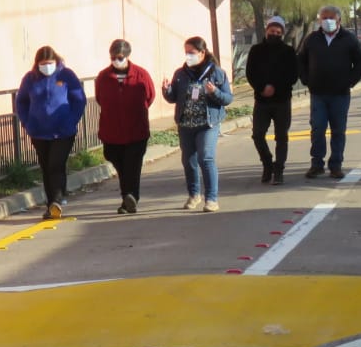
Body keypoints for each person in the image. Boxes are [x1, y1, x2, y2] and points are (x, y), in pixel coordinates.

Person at [162, 36, 233, 212]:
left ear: (202, 53)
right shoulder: (181, 73)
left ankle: (211, 198)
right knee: (189, 160)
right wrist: (167, 90)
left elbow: (228, 98)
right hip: (186, 124)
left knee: (206, 157)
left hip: (208, 123)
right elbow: (173, 98)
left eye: (192, 53)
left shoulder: (216, 72)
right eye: (186, 53)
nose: (188, 56)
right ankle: (194, 195)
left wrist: (214, 92)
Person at [16, 45, 87, 219]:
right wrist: (27, 122)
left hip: (63, 132)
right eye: (43, 63)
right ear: (37, 63)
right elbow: (21, 102)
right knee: (46, 167)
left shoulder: (66, 76)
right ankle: (51, 205)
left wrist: (70, 121)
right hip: (39, 132)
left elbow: (79, 100)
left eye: (50, 63)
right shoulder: (30, 79)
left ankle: (56, 199)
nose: (46, 66)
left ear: (56, 61)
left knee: (56, 164)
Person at [297, 4, 361, 179]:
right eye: (324, 18)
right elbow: (301, 60)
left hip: (340, 94)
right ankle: (317, 164)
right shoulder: (312, 39)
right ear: (319, 20)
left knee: (338, 130)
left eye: (331, 18)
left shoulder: (348, 39)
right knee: (318, 128)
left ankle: (336, 165)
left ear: (339, 20)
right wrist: (306, 79)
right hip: (318, 93)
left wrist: (350, 81)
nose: (327, 21)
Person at [95, 39, 155, 214]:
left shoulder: (141, 74)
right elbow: (100, 98)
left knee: (132, 165)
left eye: (120, 57)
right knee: (117, 161)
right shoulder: (103, 77)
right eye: (113, 56)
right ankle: (128, 197)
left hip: (136, 131)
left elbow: (149, 97)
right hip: (111, 132)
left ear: (127, 56)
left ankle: (130, 198)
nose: (116, 59)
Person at [245, 15, 298, 185]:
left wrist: (275, 87)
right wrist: (262, 88)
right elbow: (250, 73)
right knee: (258, 134)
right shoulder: (256, 50)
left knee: (281, 136)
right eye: (271, 31)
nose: (274, 34)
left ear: (281, 33)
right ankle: (267, 164)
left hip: (282, 100)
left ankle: (279, 169)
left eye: (277, 31)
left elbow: (292, 75)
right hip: (262, 101)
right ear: (266, 30)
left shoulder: (288, 52)